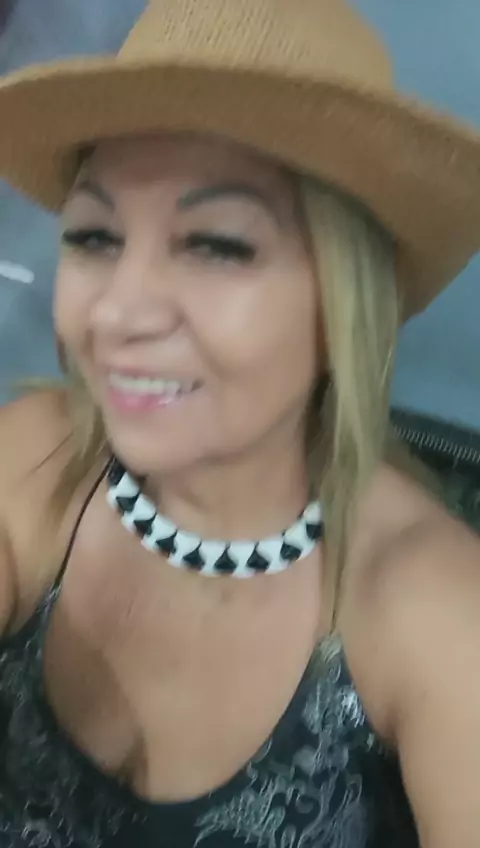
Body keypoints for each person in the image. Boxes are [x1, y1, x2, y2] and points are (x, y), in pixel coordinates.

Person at [0, 0, 479, 845]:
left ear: (343, 307)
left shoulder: (433, 611)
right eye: (95, 236)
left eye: (217, 245)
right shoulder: (38, 460)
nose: (118, 312)